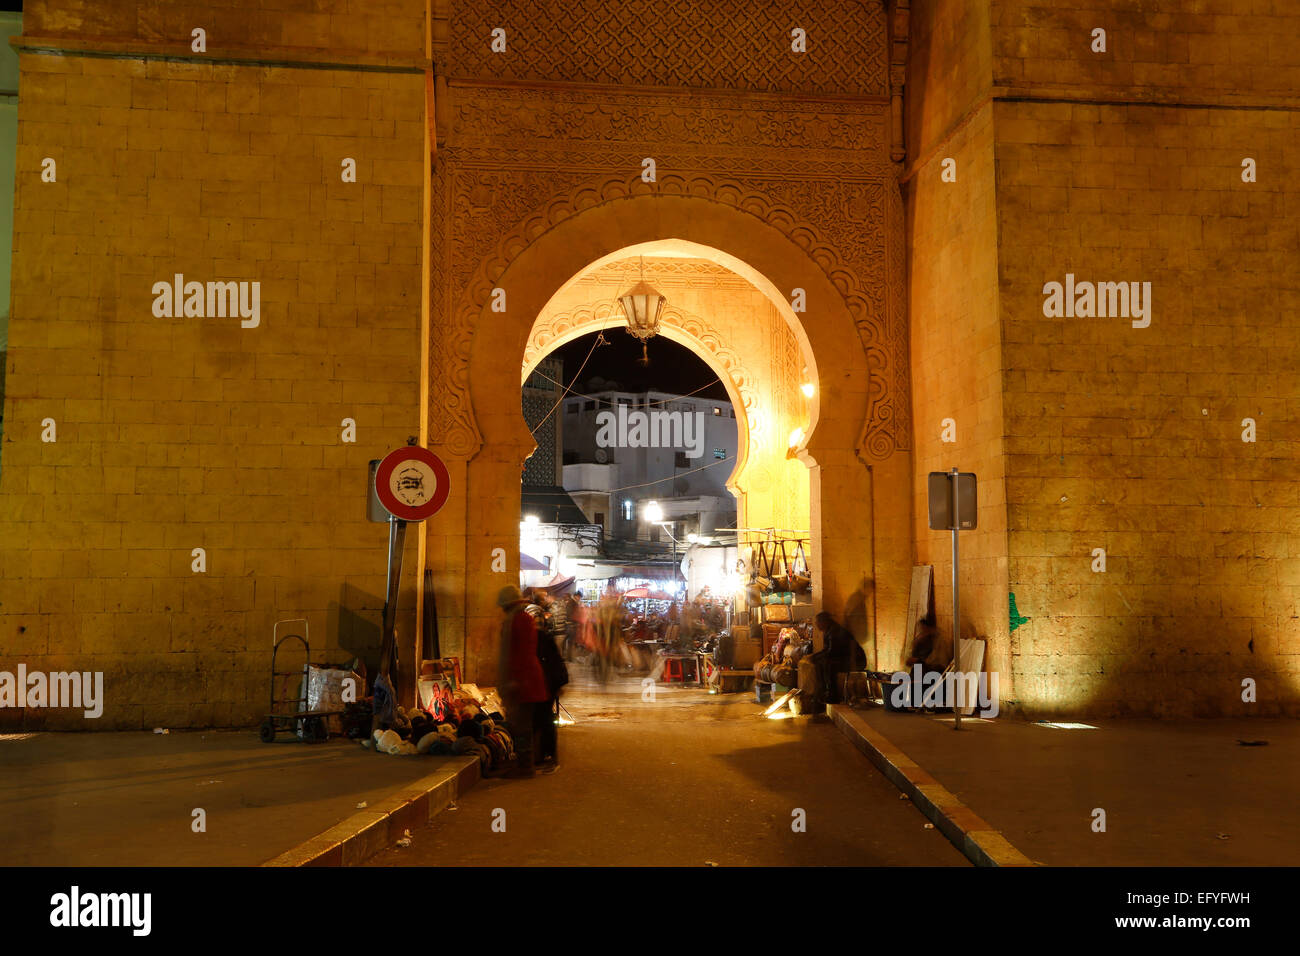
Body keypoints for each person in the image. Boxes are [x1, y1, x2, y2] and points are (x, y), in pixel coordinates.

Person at [497, 585, 549, 778]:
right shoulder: (520, 620)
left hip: (524, 682)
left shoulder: (519, 621)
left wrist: (514, 681)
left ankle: (525, 766)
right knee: (521, 724)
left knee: (522, 725)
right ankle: (524, 763)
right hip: (526, 680)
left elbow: (520, 655)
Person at [814, 611, 864, 705]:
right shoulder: (828, 631)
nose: (816, 625)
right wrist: (816, 657)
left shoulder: (834, 631)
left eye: (818, 622)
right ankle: (824, 691)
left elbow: (832, 651)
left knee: (829, 666)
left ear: (824, 622)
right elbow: (827, 650)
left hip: (856, 661)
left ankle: (833, 695)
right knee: (821, 663)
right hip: (844, 659)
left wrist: (817, 657)